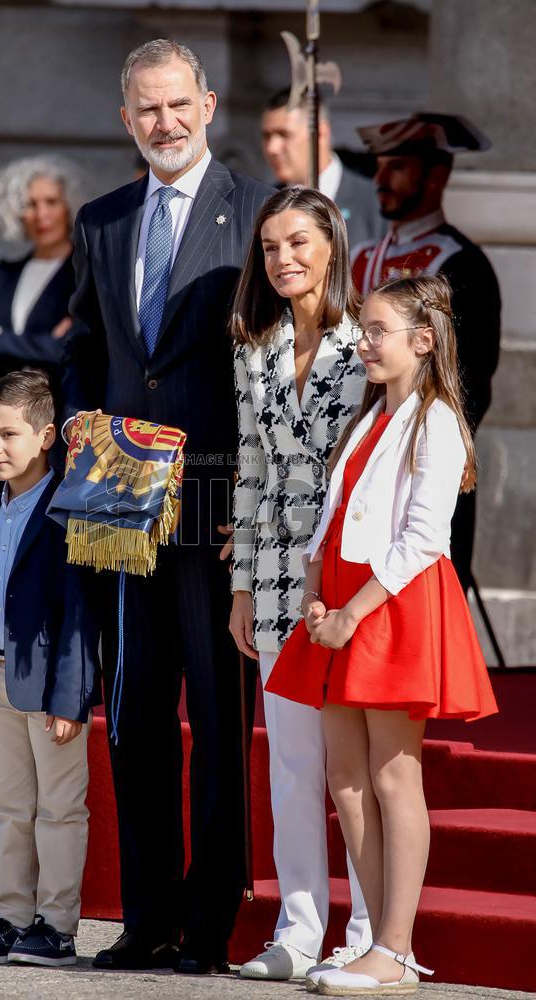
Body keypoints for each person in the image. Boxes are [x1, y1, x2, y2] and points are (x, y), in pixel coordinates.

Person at [60, 39, 274, 974]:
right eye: (147, 109)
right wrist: (73, 419)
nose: (165, 122)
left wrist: (264, 508)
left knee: (219, 721)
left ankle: (209, 924)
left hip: (217, 502)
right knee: (136, 713)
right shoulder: (101, 219)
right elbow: (84, 345)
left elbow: (279, 366)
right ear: (126, 119)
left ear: (209, 104)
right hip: (116, 497)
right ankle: (144, 917)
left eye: (179, 104)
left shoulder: (259, 214)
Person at [266, 274, 498, 995]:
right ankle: (370, 939)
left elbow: (424, 538)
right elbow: (334, 517)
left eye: (375, 332)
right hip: (337, 603)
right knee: (344, 779)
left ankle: (395, 950)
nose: (361, 343)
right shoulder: (368, 418)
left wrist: (348, 613)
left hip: (386, 605)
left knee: (393, 776)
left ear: (421, 342)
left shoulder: (434, 420)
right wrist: (311, 593)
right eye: (361, 330)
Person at [229, 186, 371, 983]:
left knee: (351, 767)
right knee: (290, 765)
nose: (283, 259)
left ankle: (368, 934)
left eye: (297, 243)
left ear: (330, 245)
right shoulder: (253, 347)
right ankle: (298, 932)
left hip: (345, 582)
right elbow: (249, 470)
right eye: (270, 246)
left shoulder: (368, 343)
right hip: (278, 584)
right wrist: (243, 588)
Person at [0, 370, 99, 968]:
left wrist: (71, 696)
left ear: (45, 436)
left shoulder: (70, 509)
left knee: (59, 806)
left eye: (8, 435)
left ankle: (57, 928)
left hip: (47, 684)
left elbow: (79, 614)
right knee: (8, 804)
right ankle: (10, 916)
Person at [351, 112, 502, 591]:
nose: (380, 179)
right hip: (356, 446)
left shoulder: (463, 265)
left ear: (436, 176)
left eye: (397, 167)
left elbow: (470, 383)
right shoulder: (360, 257)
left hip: (419, 454)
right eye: (379, 166)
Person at [0, 155, 87, 502]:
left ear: (67, 206)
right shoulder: (5, 274)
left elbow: (67, 350)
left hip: (48, 432)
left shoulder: (82, 275)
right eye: (30, 204)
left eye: (51, 202)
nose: (41, 214)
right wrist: (37, 344)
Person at [261, 89, 385, 251]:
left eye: (284, 134)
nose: (272, 148)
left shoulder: (376, 202)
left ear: (320, 133)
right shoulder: (263, 203)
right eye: (267, 136)